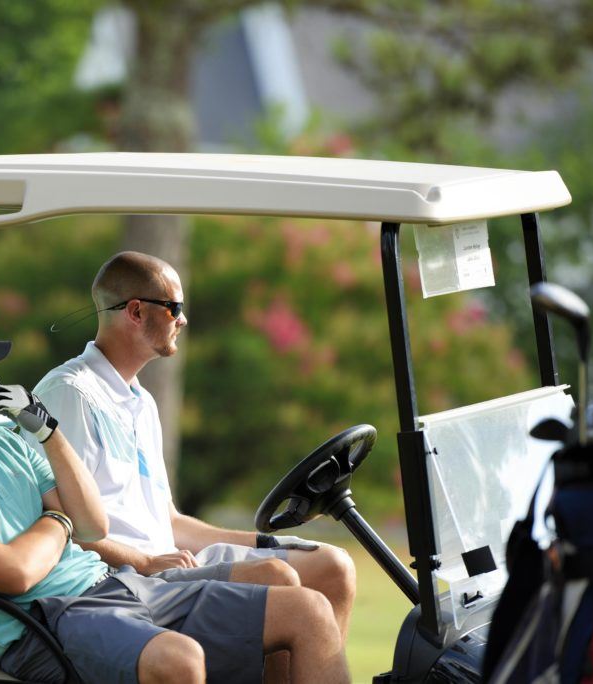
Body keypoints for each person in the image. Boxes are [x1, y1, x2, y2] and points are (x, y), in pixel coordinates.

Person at [0, 314, 350, 684]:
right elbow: (17, 574)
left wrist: (48, 433)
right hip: (46, 622)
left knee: (308, 612)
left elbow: (93, 527)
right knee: (179, 660)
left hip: (110, 583)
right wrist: (58, 518)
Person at [32, 251, 357, 638]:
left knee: (333, 565)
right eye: (174, 308)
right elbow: (62, 525)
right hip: (127, 580)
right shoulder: (70, 393)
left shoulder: (141, 401)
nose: (183, 320)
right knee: (276, 577)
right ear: (135, 312)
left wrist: (263, 541)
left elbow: (169, 522)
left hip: (170, 561)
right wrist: (147, 560)